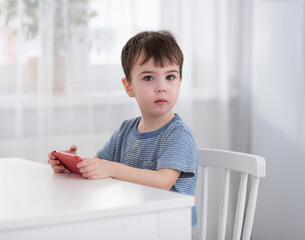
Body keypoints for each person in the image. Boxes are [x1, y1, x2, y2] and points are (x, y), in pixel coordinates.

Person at [47, 30, 199, 231]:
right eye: (148, 78)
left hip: (167, 229)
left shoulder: (178, 136)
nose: (161, 87)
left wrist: (112, 168)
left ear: (180, 82)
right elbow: (99, 165)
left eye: (170, 76)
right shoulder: (126, 130)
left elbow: (163, 181)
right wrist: (74, 165)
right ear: (129, 87)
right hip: (133, 224)